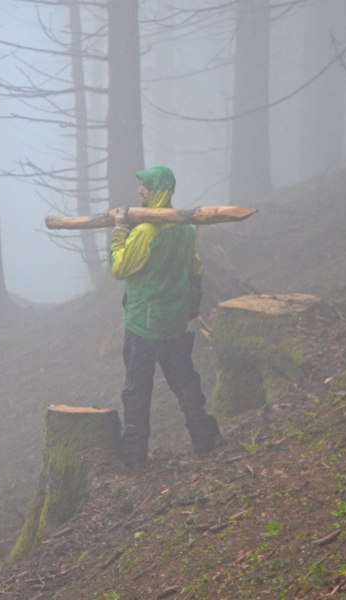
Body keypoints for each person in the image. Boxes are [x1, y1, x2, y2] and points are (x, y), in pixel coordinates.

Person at [110, 166, 219, 468]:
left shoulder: (145, 232)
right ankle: (206, 440)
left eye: (144, 186)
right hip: (173, 325)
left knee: (136, 392)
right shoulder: (184, 228)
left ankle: (133, 458)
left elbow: (120, 268)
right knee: (186, 384)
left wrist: (120, 231)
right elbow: (196, 270)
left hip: (143, 328)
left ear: (156, 190)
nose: (140, 192)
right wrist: (191, 305)